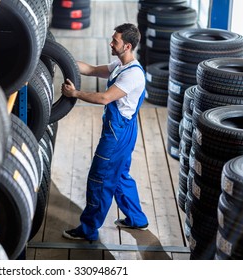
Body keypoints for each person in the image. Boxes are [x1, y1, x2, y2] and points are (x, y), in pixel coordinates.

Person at [61, 23, 148, 242]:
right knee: (119, 176)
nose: (111, 43)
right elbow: (89, 69)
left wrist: (75, 93)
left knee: (99, 178)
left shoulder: (133, 75)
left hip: (117, 134)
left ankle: (88, 229)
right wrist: (62, 59)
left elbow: (104, 98)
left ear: (127, 46)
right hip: (122, 130)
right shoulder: (119, 65)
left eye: (115, 41)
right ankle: (137, 219)